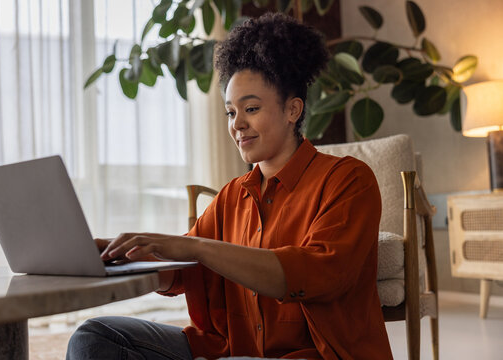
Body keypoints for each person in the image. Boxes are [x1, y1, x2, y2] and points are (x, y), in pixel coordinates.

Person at [67, 12, 393, 360]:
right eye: (229, 112)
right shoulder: (233, 195)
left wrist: (198, 247)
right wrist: (120, 254)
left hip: (317, 356)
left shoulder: (348, 180)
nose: (238, 124)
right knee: (94, 338)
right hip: (230, 351)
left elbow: (314, 274)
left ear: (293, 110)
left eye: (250, 108)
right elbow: (182, 274)